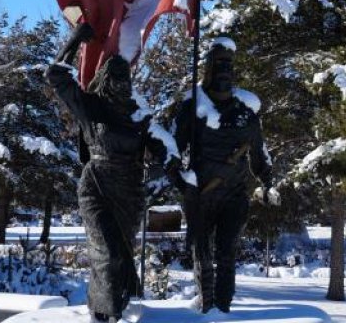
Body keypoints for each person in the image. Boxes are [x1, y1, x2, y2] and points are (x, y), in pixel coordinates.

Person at [47, 23, 178, 322]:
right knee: (106, 251)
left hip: (129, 192)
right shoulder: (91, 107)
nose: (121, 82)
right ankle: (107, 315)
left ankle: (114, 306)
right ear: (106, 78)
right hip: (96, 185)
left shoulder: (138, 114)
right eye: (116, 76)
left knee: (121, 255)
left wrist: (165, 169)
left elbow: (162, 145)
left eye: (125, 76)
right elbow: (55, 75)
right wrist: (76, 40)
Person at [174, 38, 278, 314]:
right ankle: (206, 307)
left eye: (228, 65)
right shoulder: (192, 107)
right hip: (202, 194)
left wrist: (268, 182)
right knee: (202, 253)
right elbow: (173, 150)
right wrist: (178, 182)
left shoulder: (245, 113)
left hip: (234, 194)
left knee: (227, 253)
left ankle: (223, 309)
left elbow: (259, 153)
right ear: (207, 67)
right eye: (218, 63)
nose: (224, 70)